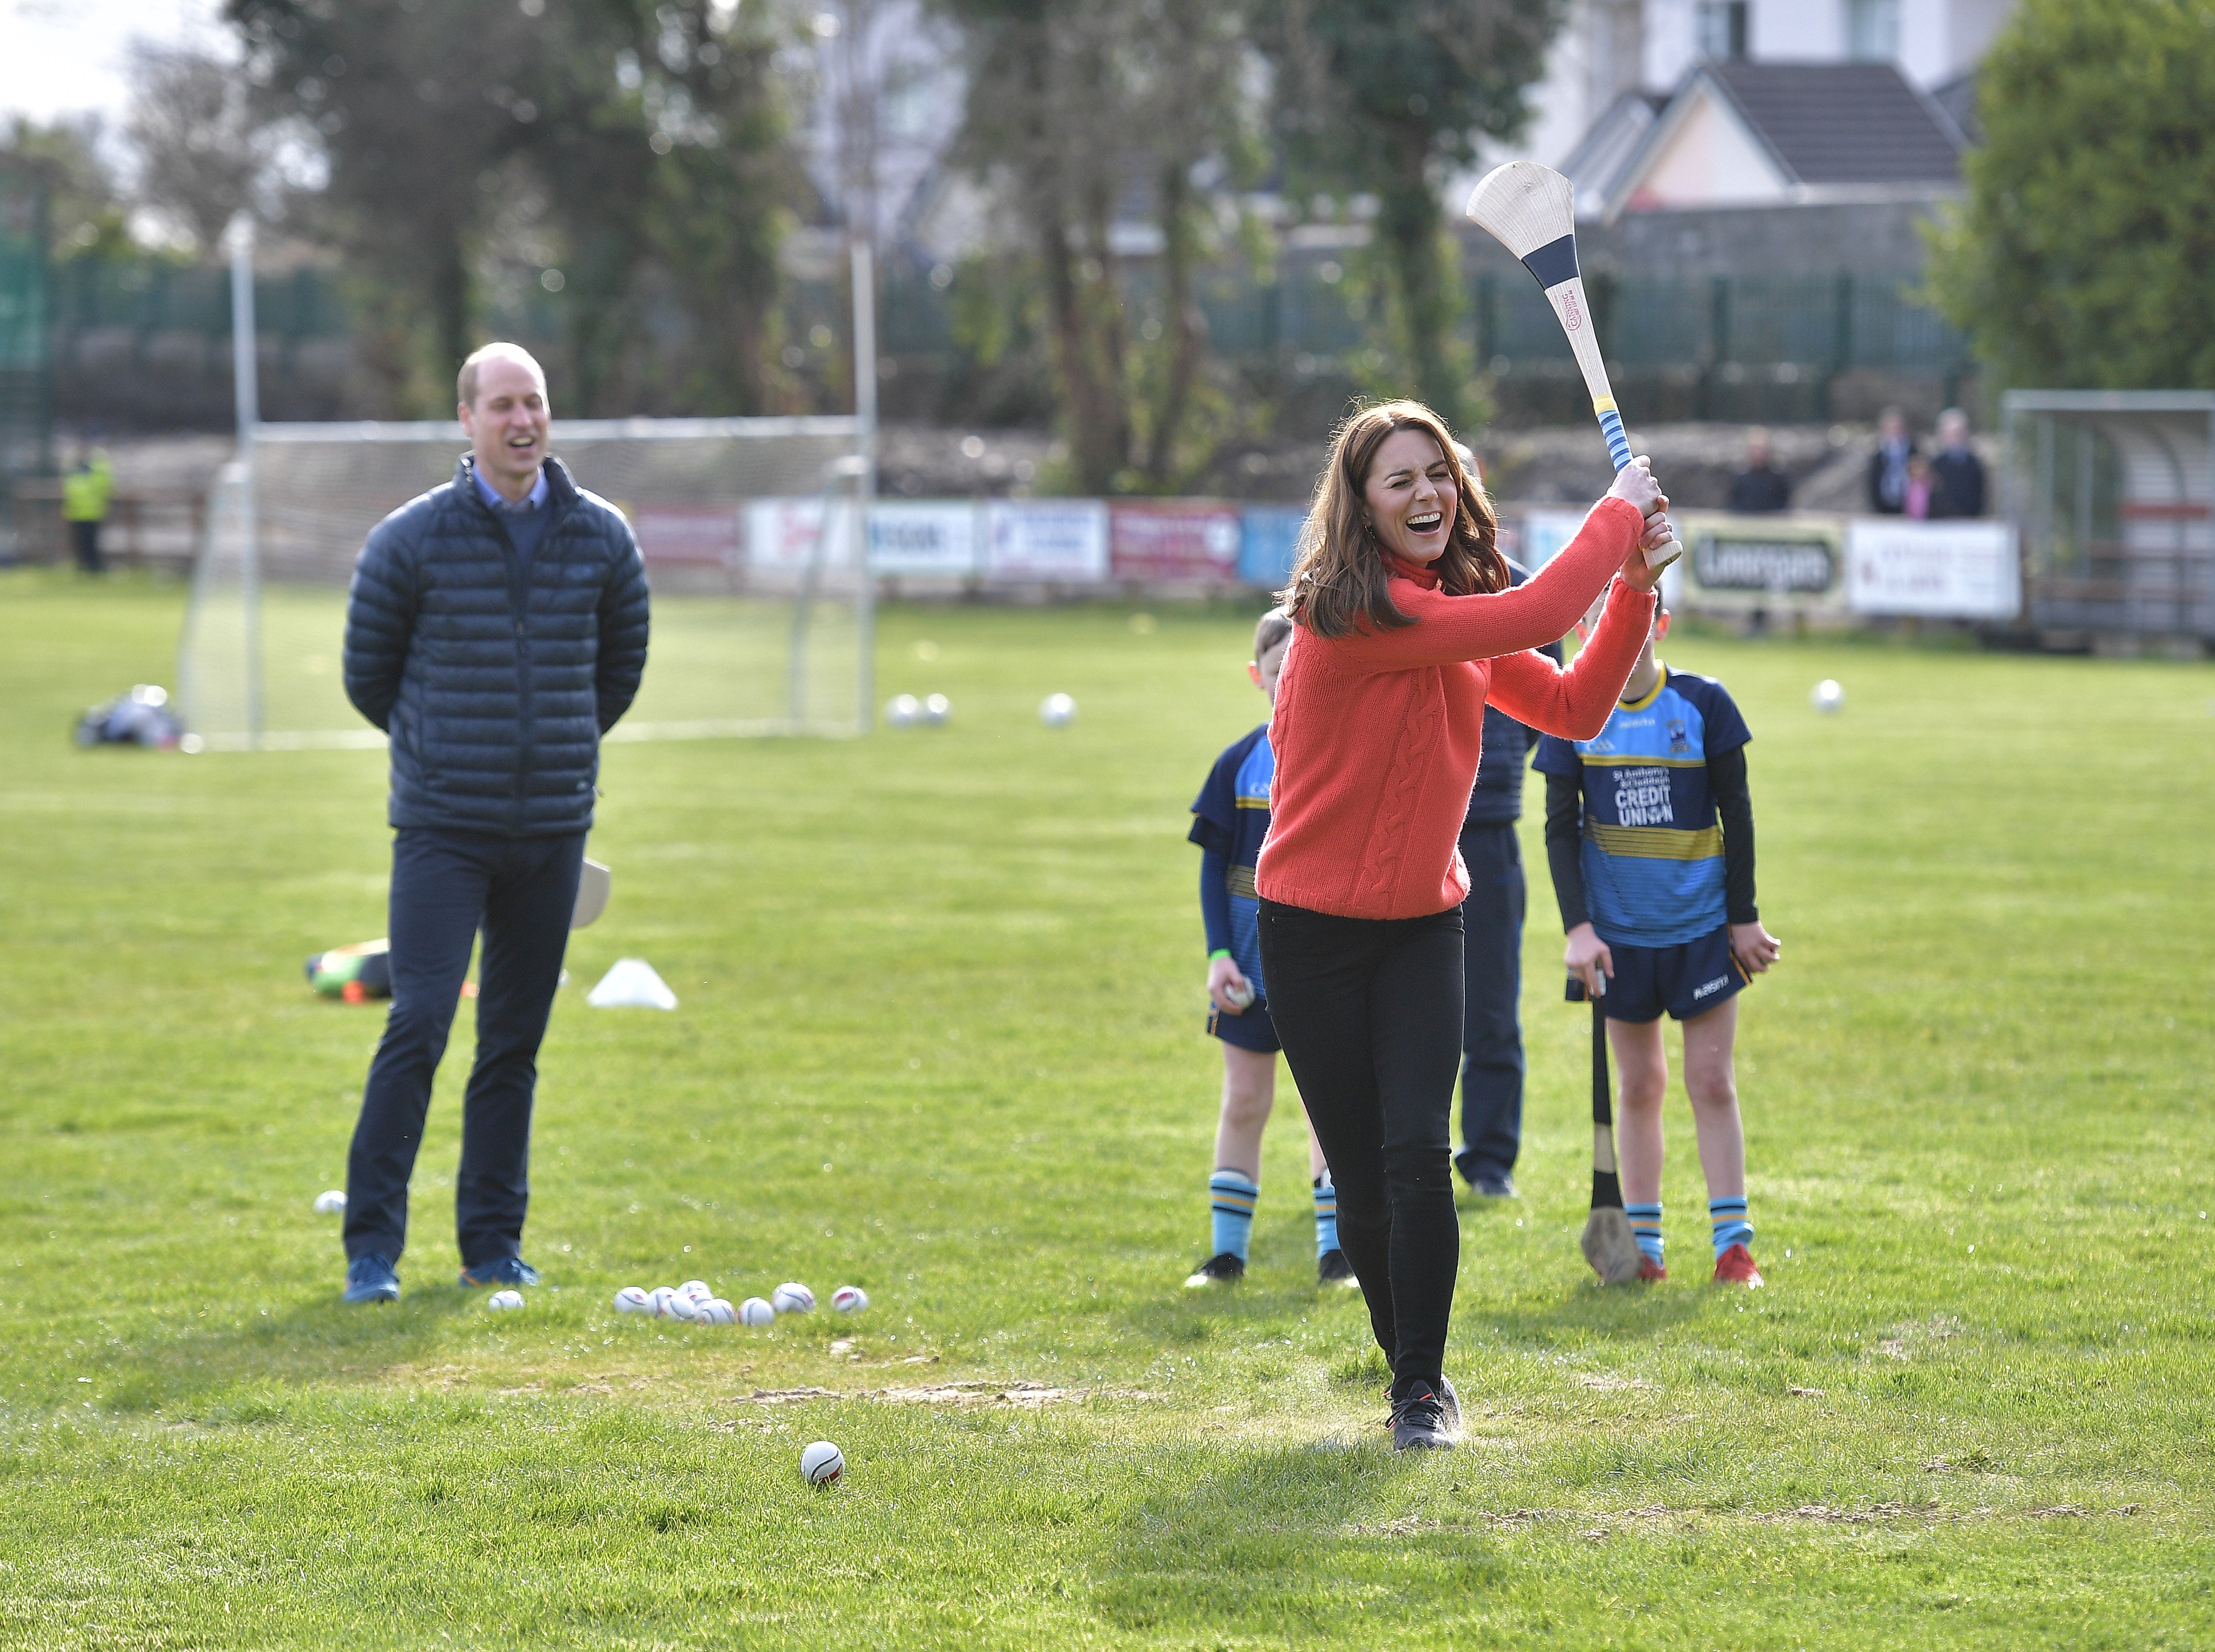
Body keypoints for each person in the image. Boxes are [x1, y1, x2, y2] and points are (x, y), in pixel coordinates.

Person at [1257, 399, 1669, 1450]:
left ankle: (1420, 1389)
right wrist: (1618, 516)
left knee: (1414, 1155)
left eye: (1436, 474)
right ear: (1357, 505)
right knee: (1359, 1178)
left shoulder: (1453, 614)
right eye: (1397, 479)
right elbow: (1535, 615)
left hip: (1419, 926)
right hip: (1306, 929)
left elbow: (1576, 705)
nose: (1425, 493)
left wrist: (1629, 589)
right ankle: (1408, 1370)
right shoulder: (1351, 612)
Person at [337, 342, 650, 1306]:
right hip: (442, 827)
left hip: (550, 829)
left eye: (537, 403)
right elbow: (368, 674)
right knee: (421, 1018)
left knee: (513, 1039)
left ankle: (491, 1245)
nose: (524, 421)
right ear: (466, 421)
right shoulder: (410, 538)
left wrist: (550, 748)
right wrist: (447, 751)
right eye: (504, 405)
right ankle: (371, 1250)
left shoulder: (601, 536)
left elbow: (619, 669)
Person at [1535, 603, 1781, 1289]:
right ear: (1583, 630)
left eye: (1635, 614)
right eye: (1603, 617)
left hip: (1701, 932)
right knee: (1639, 1085)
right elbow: (1558, 831)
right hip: (1618, 942)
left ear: (1660, 624)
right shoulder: (1571, 716)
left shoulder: (1703, 704)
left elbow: (1737, 815)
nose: (1621, 628)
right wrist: (1577, 930)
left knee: (1710, 1081)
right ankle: (1643, 1249)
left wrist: (1743, 918)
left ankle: (1732, 1247)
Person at [1185, 608, 1356, 1291]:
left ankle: (1336, 1256)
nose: (1291, 685)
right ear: (1258, 677)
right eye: (1281, 672)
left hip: (1322, 975)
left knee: (1329, 1111)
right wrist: (1216, 956)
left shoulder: (1343, 754)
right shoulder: (1238, 763)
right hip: (1249, 975)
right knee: (1244, 1103)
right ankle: (1226, 1257)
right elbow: (1209, 869)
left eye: (1305, 672)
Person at [1453, 559, 1561, 1200]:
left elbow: (1544, 694)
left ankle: (1490, 1160)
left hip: (1489, 825)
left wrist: (1488, 763)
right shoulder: (1389, 582)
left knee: (1491, 1006)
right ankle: (1389, 1156)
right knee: (1399, 1009)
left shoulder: (1520, 589)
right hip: (1406, 825)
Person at [63, 442, 114, 573]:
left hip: (92, 512)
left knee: (91, 542)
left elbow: (103, 488)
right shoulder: (77, 471)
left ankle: (93, 567)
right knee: (82, 543)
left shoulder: (95, 471)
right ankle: (85, 565)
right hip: (78, 513)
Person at [1928, 408, 1986, 518]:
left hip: (1968, 522)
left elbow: (1979, 496)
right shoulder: (1935, 465)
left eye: (1958, 433)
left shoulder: (1974, 464)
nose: (1955, 437)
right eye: (1951, 433)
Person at [1726, 427, 1791, 514]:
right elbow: (1735, 504)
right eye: (1754, 449)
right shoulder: (1740, 477)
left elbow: (1783, 505)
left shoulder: (1778, 477)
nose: (1757, 453)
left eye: (1760, 449)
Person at [1867, 408, 1915, 515]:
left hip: (1909, 509)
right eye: (1890, 429)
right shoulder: (1877, 455)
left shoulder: (1914, 453)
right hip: (1883, 509)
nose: (1894, 432)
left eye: (1897, 428)